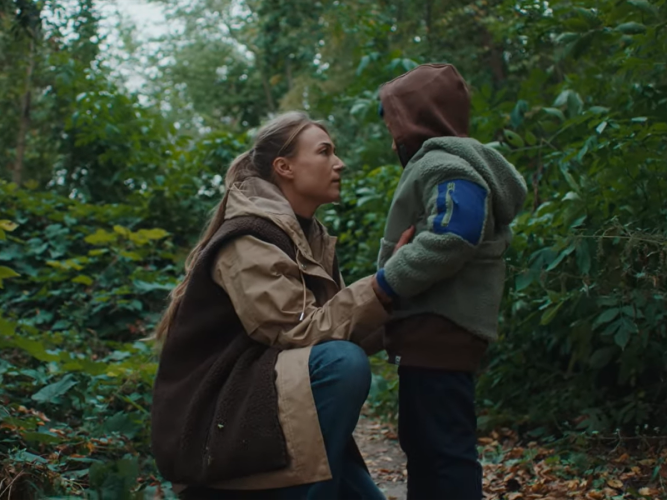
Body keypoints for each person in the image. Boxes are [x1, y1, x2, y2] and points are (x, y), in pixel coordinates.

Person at [150, 111, 412, 500]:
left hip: (262, 409)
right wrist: (383, 285)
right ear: (284, 167)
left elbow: (337, 324)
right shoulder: (249, 239)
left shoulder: (309, 236)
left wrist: (404, 309)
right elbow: (300, 332)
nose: (339, 163)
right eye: (325, 152)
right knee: (342, 363)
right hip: (219, 425)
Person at [374, 64, 528, 499]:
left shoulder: (448, 166)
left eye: (396, 126)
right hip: (428, 333)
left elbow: (454, 234)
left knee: (443, 449)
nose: (392, 139)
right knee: (423, 444)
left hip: (440, 329)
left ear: (419, 120)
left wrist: (388, 282)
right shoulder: (439, 165)